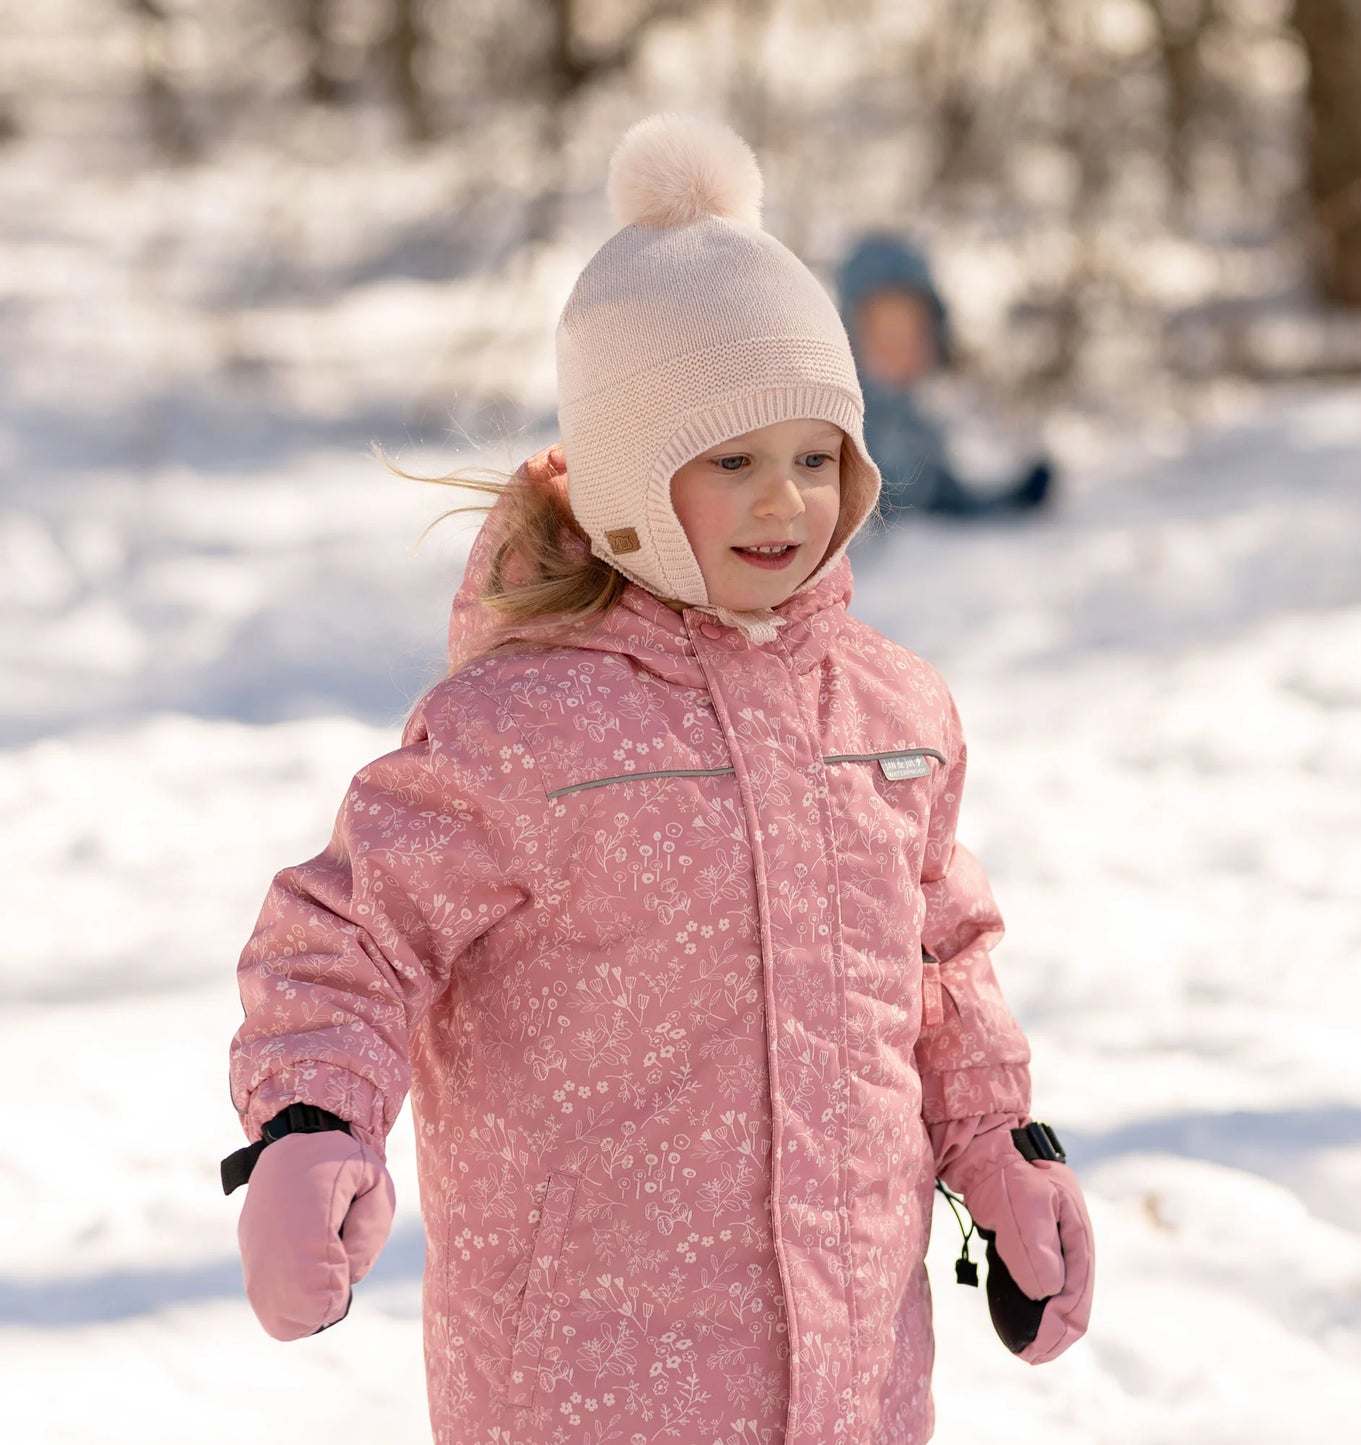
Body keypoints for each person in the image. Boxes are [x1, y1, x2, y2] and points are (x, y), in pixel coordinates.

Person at [223, 114, 1094, 1445]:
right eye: (731, 460)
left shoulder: (892, 712)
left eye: (816, 457)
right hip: (586, 1382)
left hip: (854, 1383)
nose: (784, 502)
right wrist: (310, 1122)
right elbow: (350, 935)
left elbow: (938, 964)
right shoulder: (521, 732)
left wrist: (998, 1154)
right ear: (631, 480)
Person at [836, 231, 1054, 519]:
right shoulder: (833, 422)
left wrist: (1014, 499)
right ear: (852, 335)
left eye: (914, 333)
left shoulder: (914, 425)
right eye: (885, 334)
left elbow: (942, 498)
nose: (901, 349)